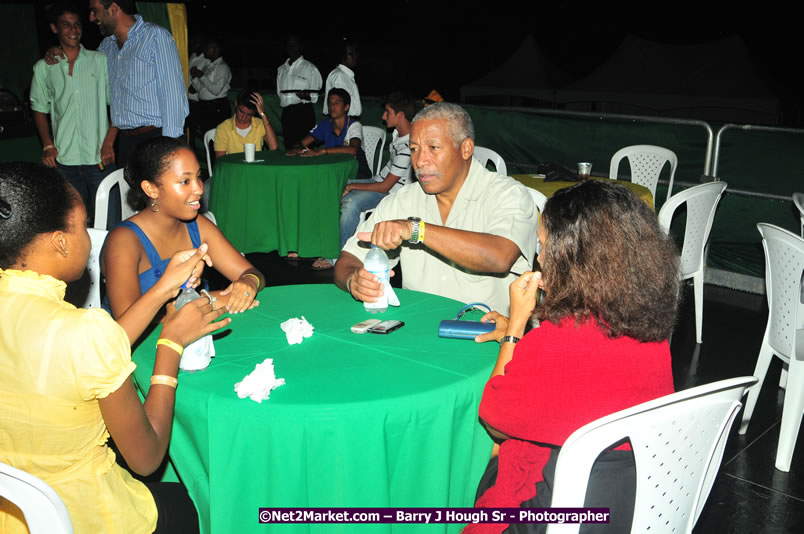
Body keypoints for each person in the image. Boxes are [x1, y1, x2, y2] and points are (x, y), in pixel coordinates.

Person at [0, 161, 228, 534]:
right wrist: (170, 343)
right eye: (85, 225)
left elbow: (89, 355)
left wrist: (161, 289)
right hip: (88, 517)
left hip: (13, 515)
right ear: (60, 241)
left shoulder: (75, 333)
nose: (91, 238)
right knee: (204, 501)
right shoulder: (83, 333)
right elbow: (147, 457)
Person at [465, 180, 681, 534]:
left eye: (544, 246)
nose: (538, 258)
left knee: (483, 458)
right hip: (644, 502)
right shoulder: (652, 335)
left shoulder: (553, 343)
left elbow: (493, 417)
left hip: (569, 509)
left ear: (571, 259)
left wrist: (516, 326)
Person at [334, 102, 538, 314]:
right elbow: (347, 259)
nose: (420, 161)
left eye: (433, 148)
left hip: (487, 336)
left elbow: (499, 256)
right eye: (414, 149)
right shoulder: (404, 200)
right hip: (418, 329)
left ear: (466, 149)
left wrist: (415, 230)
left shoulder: (508, 195)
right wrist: (354, 280)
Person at [102, 137, 266, 329]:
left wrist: (248, 282)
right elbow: (126, 327)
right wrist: (218, 298)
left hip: (193, 337)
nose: (198, 188)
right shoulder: (123, 241)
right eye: (185, 181)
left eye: (198, 176)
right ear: (151, 189)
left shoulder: (197, 225)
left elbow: (252, 273)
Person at [30, 3, 116, 223]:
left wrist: (109, 142)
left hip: (99, 158)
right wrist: (48, 145)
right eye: (66, 25)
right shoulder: (44, 67)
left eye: (77, 25)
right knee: (72, 221)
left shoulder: (100, 61)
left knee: (108, 218)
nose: (73, 30)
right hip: (64, 160)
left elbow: (117, 104)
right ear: (54, 28)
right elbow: (39, 109)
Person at [88, 0, 188, 166]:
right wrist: (58, 54)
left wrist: (169, 150)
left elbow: (173, 96)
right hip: (126, 142)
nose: (92, 18)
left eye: (94, 11)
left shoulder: (155, 36)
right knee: (130, 192)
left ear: (113, 9)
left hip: (157, 138)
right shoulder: (106, 47)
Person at [288, 88, 371, 177]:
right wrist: (297, 149)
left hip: (357, 173)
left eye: (337, 103)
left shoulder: (354, 125)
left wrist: (322, 151)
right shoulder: (325, 124)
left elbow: (353, 150)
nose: (332, 107)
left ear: (346, 107)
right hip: (334, 171)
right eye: (330, 103)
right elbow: (301, 144)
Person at [277, 34, 322, 149]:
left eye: (294, 45)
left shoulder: (310, 68)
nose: (291, 48)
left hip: (304, 113)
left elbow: (315, 96)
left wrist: (307, 97)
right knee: (289, 147)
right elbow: (280, 93)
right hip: (287, 113)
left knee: (305, 149)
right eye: (289, 45)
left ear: (300, 47)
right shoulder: (281, 69)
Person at [189, 37, 231, 143]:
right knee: (208, 140)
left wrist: (202, 76)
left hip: (217, 108)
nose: (205, 50)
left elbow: (216, 90)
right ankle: (211, 159)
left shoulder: (223, 67)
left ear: (216, 49)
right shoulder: (208, 66)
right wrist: (194, 77)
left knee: (217, 141)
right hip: (205, 107)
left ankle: (217, 160)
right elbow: (200, 89)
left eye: (208, 47)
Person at [214, 89, 279, 157]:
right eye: (241, 112)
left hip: (255, 167)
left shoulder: (259, 124)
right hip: (233, 167)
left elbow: (274, 148)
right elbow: (220, 159)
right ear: (236, 104)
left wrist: (263, 114)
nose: (244, 117)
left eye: (249, 115)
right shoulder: (223, 128)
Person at [323, 40, 361, 117]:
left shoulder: (344, 75)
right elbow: (337, 108)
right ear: (342, 55)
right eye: (351, 54)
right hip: (343, 121)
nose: (355, 57)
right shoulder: (339, 76)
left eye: (356, 53)